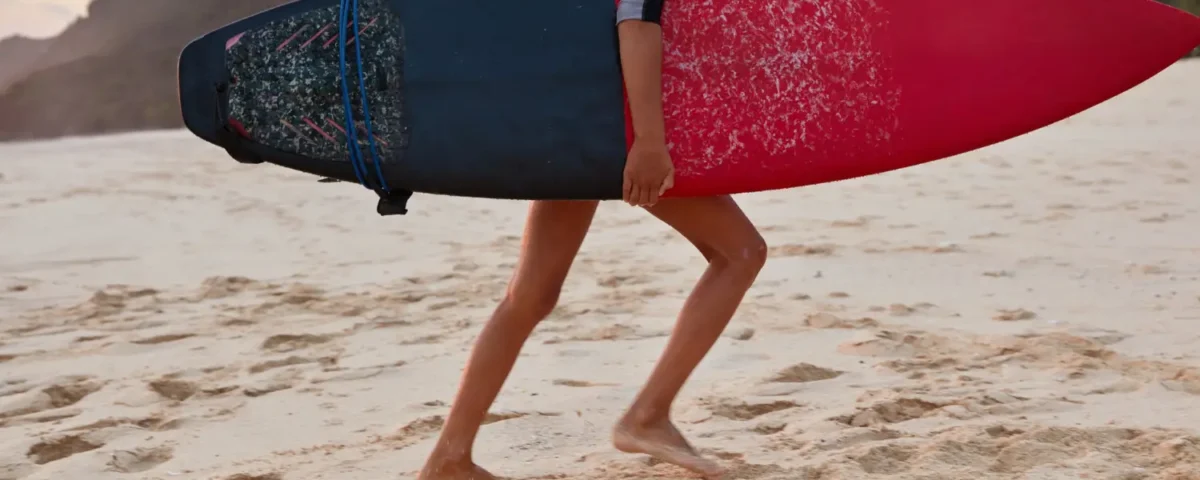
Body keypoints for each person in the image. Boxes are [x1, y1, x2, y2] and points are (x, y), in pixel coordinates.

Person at [417, 1, 767, 478]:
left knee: (530, 296)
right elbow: (636, 21)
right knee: (740, 253)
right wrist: (648, 141)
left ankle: (449, 458)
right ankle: (648, 416)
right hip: (610, 129)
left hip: (567, 121)